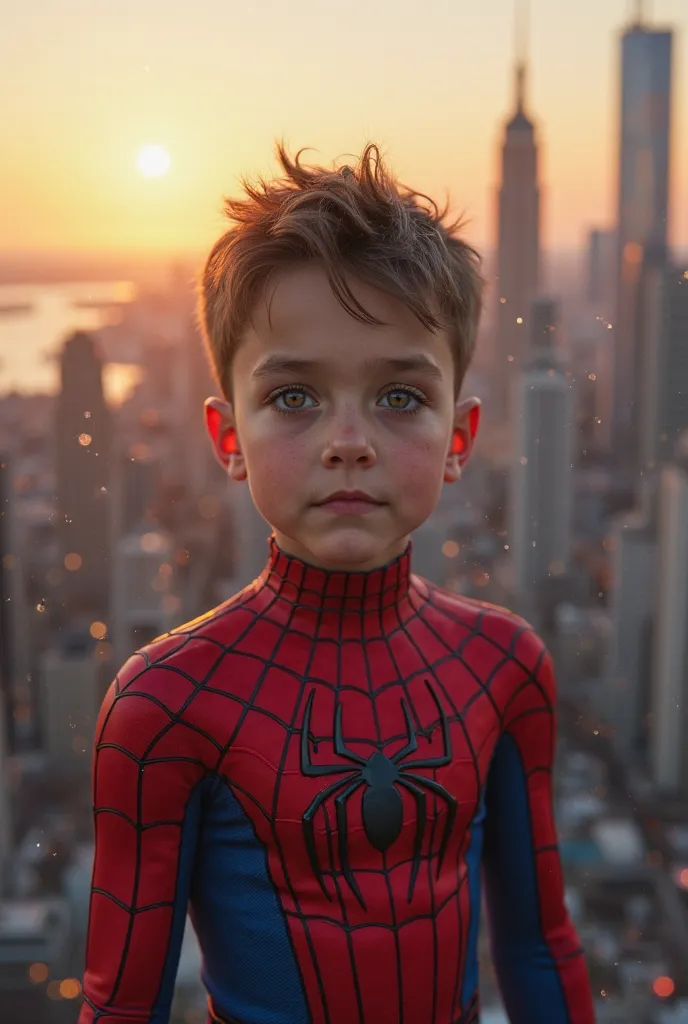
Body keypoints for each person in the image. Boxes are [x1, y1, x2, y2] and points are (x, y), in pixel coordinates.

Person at [79, 141, 595, 1024]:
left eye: (400, 396)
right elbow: (121, 1003)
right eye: (293, 397)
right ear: (226, 436)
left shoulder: (506, 666)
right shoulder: (165, 704)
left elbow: (537, 945)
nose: (346, 440)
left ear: (460, 438)